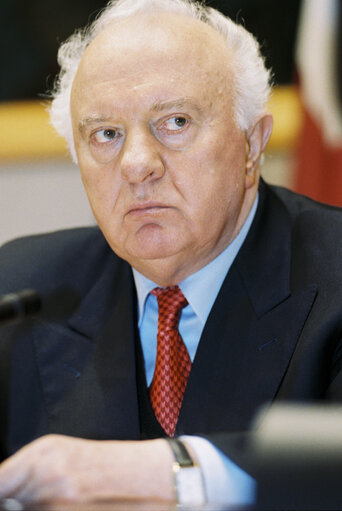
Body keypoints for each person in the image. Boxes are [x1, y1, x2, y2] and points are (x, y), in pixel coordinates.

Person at [0, 0, 342, 506]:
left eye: (175, 122)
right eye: (106, 135)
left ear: (252, 145)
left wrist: (175, 473)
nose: (138, 164)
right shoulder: (23, 290)